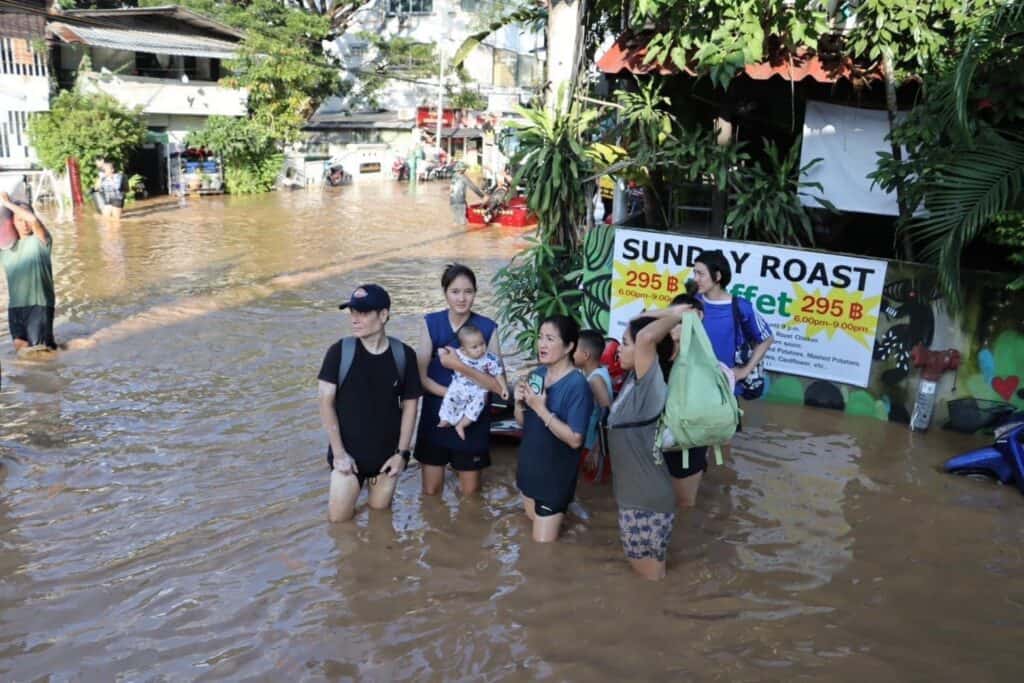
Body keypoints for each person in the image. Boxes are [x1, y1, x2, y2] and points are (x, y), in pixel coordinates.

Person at [317, 284, 422, 522]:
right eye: (352, 312)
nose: (355, 319)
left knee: (381, 521)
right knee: (339, 524)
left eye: (363, 313)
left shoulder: (404, 355)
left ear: (383, 315)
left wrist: (401, 454)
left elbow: (411, 407)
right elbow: (325, 403)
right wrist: (339, 454)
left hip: (387, 458)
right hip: (348, 458)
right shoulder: (339, 352)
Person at [606, 303, 696, 580]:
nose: (618, 349)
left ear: (646, 350)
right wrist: (665, 313)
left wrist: (678, 316)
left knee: (651, 583)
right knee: (646, 579)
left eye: (624, 344)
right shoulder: (635, 380)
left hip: (644, 504)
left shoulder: (649, 383)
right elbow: (639, 325)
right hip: (639, 499)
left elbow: (645, 336)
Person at [416, 264, 505, 496]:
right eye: (455, 291)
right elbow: (421, 378)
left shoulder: (487, 328)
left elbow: (498, 386)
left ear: (475, 293)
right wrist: (453, 396)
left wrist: (459, 366)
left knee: (470, 495)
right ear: (445, 292)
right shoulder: (431, 323)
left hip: (473, 417)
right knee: (431, 492)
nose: (462, 298)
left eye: (468, 291)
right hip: (436, 414)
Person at [514, 315, 593, 542]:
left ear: (568, 347)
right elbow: (523, 423)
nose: (542, 344)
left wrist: (540, 408)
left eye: (550, 339)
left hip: (554, 479)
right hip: (529, 471)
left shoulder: (578, 385)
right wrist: (519, 403)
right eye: (540, 337)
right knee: (530, 540)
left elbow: (575, 440)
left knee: (543, 549)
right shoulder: (537, 375)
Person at [0, 193, 56, 352]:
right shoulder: (6, 249)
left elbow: (32, 220)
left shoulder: (41, 240)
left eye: (26, 219)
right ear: (12, 222)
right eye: (19, 220)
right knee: (22, 351)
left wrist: (8, 204)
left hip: (39, 305)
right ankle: (63, 349)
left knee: (38, 352)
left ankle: (67, 351)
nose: (24, 224)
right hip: (15, 307)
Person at [437, 323, 508, 440]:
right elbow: (446, 351)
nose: (480, 349)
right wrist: (442, 351)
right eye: (474, 347)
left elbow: (498, 374)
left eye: (482, 344)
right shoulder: (459, 354)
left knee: (477, 406)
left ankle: (462, 425)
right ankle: (446, 419)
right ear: (464, 349)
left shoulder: (489, 359)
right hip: (460, 385)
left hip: (478, 389)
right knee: (450, 398)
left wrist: (504, 388)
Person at [574, 329, 613, 482]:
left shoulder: (595, 380)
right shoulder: (595, 372)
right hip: (589, 443)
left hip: (594, 446)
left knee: (589, 487)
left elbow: (608, 415)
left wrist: (597, 450)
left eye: (574, 349)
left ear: (586, 355)